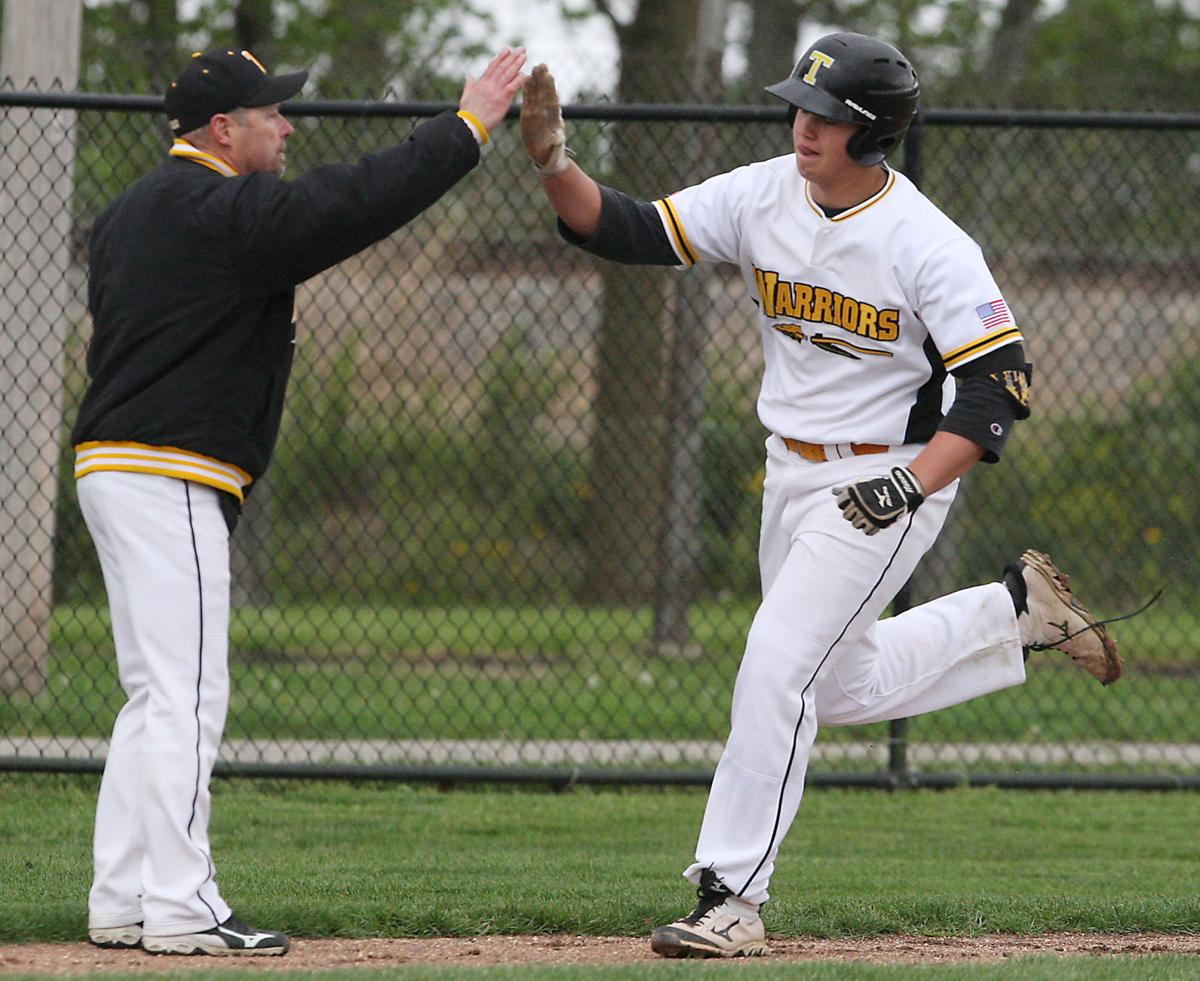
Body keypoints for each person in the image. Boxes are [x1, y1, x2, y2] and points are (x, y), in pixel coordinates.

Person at [519, 33, 1122, 959]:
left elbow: (998, 388)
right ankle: (1015, 615)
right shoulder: (764, 192)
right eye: (801, 108)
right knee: (832, 683)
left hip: (892, 475)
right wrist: (556, 165)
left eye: (829, 115)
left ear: (870, 132)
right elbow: (630, 227)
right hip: (792, 470)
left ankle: (731, 895)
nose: (805, 125)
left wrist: (908, 484)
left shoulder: (926, 242)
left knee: (774, 662)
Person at [74, 44, 526, 957]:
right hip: (168, 469)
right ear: (220, 129)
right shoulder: (220, 208)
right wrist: (467, 124)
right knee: (188, 696)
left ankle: (124, 895)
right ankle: (183, 906)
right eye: (269, 113)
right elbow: (354, 200)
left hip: (115, 466)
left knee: (151, 695)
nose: (286, 126)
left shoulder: (134, 211)